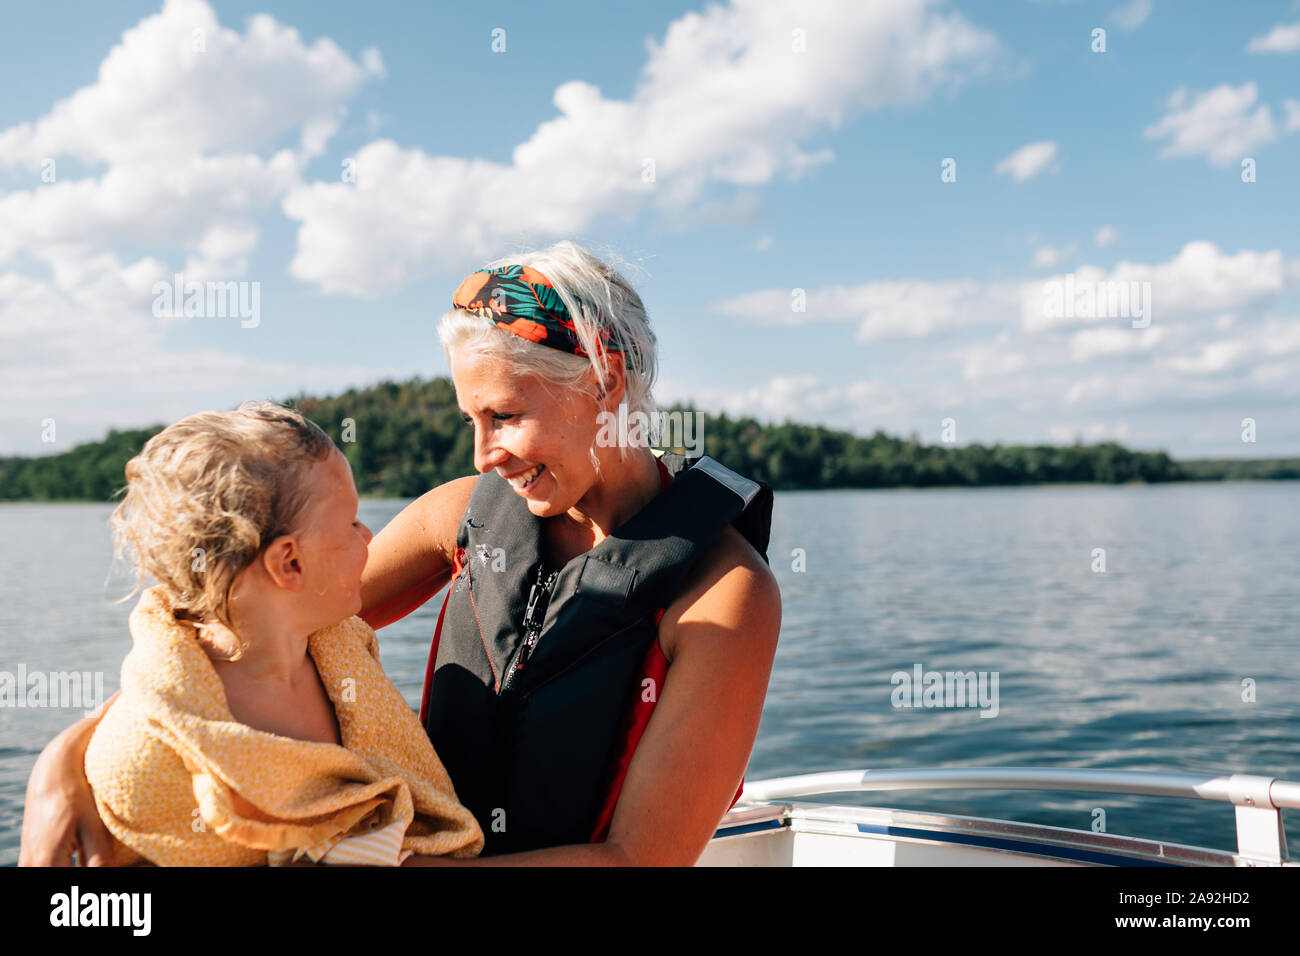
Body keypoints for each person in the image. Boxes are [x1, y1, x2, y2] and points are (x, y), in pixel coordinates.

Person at [21, 240, 781, 867]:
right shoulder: (463, 517)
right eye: (470, 420)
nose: (484, 455)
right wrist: (71, 754)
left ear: (607, 379)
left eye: (506, 416)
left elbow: (635, 862)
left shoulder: (726, 596)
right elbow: (247, 621)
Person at [80, 403, 483, 865]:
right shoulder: (150, 753)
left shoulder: (344, 650)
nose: (369, 536)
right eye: (350, 523)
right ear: (289, 563)